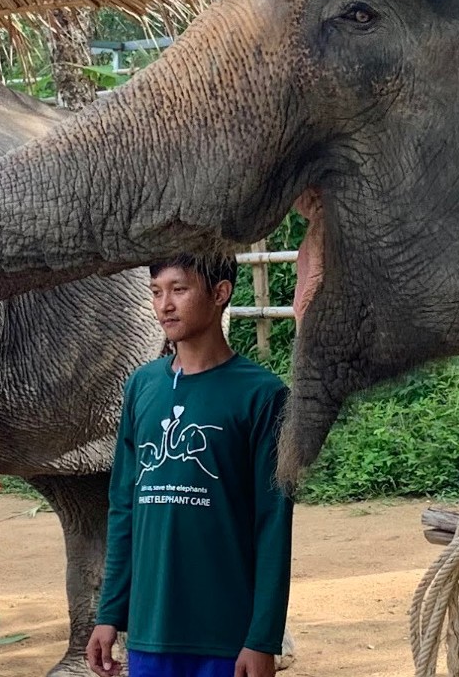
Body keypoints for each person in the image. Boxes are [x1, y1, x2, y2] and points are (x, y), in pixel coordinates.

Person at [86, 253, 294, 677]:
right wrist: (110, 614)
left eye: (179, 290)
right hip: (149, 633)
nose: (165, 305)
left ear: (220, 293)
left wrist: (262, 639)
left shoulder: (263, 395)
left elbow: (273, 522)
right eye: (157, 292)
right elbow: (124, 505)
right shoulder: (142, 386)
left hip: (225, 637)